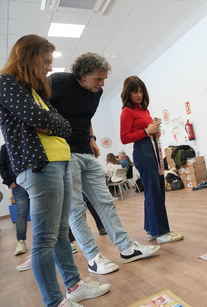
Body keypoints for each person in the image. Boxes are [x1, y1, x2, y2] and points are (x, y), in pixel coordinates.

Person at [0, 34, 109, 307]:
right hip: (39, 165)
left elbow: (65, 126)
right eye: (46, 61)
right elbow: (37, 117)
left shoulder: (34, 90)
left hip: (58, 161)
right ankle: (54, 301)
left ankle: (73, 286)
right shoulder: (6, 82)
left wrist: (51, 124)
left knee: (60, 233)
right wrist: (49, 122)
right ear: (29, 57)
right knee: (45, 239)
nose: (49, 67)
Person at [49, 53, 159, 276]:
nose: (102, 84)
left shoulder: (96, 92)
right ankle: (93, 257)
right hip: (63, 153)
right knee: (76, 209)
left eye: (103, 79)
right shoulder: (58, 82)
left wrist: (91, 138)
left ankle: (127, 248)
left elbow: (86, 116)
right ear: (82, 75)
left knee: (106, 202)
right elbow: (41, 112)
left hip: (85, 151)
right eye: (98, 79)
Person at [120, 76, 184, 244]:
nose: (138, 95)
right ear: (128, 92)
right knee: (154, 192)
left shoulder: (143, 109)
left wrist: (154, 130)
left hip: (153, 150)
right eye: (135, 91)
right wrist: (146, 131)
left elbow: (146, 131)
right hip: (143, 152)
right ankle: (161, 232)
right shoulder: (127, 112)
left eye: (141, 91)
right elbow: (124, 138)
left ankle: (152, 229)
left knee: (154, 191)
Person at [0, 144, 30, 256]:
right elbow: (2, 166)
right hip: (17, 184)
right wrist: (9, 182)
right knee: (21, 213)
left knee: (41, 211)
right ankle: (21, 242)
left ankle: (46, 241)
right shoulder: (5, 147)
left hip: (34, 180)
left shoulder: (27, 139)